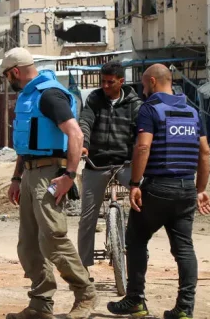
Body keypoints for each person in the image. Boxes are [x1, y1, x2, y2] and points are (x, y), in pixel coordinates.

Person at [107, 64, 210, 319]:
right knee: (184, 248)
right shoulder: (191, 111)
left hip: (158, 187)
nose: (143, 90)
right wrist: (199, 189)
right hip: (187, 188)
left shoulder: (151, 109)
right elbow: (205, 152)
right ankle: (185, 308)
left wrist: (134, 184)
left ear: (153, 82)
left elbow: (143, 148)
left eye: (143, 85)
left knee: (135, 239)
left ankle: (135, 300)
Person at [0, 47, 97, 319]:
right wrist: (17, 178)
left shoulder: (50, 95)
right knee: (28, 244)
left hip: (50, 175)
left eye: (7, 76)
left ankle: (85, 294)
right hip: (29, 173)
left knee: (53, 238)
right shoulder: (29, 97)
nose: (8, 81)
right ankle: (40, 305)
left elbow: (75, 134)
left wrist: (68, 176)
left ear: (15, 72)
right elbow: (26, 144)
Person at [77, 61, 143, 281]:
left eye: (110, 82)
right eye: (103, 81)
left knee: (144, 203)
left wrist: (139, 158)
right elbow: (85, 122)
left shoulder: (135, 104)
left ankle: (138, 254)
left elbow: (139, 134)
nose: (105, 85)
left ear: (121, 81)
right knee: (87, 216)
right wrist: (83, 143)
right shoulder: (94, 99)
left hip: (125, 164)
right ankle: (83, 269)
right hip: (96, 163)